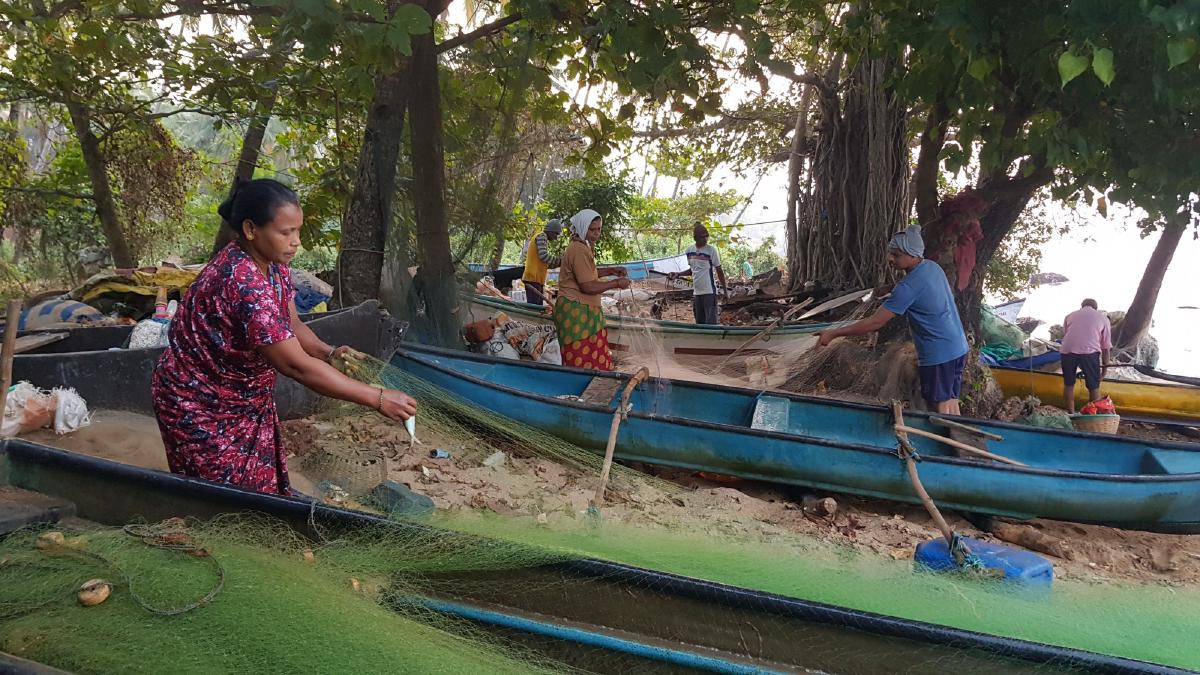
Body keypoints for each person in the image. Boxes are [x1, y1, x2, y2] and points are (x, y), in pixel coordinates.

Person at [152, 178, 417, 496]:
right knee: (225, 502)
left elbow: (290, 323)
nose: (296, 242)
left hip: (244, 401)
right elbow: (295, 366)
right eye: (286, 232)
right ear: (251, 230)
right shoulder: (242, 282)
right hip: (200, 406)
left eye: (298, 231)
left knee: (259, 492)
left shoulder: (273, 265)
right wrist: (377, 397)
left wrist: (329, 352)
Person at [814, 225, 969, 415]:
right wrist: (889, 290)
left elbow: (875, 323)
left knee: (940, 407)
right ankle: (958, 437)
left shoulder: (907, 288)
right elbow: (920, 289)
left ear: (913, 255)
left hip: (939, 354)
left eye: (896, 255)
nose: (890, 259)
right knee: (951, 403)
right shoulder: (931, 267)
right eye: (890, 254)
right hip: (958, 348)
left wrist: (834, 333)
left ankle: (944, 442)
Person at [554, 209, 630, 371]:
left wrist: (610, 271)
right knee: (581, 357)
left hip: (582, 310)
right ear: (582, 228)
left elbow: (589, 273)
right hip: (577, 311)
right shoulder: (578, 250)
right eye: (592, 230)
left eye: (599, 229)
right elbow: (587, 286)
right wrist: (616, 283)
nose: (596, 234)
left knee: (589, 356)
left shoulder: (582, 246)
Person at [1059, 298, 1113, 414]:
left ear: (1082, 306)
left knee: (1069, 384)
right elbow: (1106, 348)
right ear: (1096, 308)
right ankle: (1092, 416)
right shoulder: (1103, 318)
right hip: (1089, 352)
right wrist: (1103, 372)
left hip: (1067, 351)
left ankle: (1070, 414)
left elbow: (1067, 335)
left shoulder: (1069, 316)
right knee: (1094, 386)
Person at [669, 223, 728, 325]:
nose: (705, 240)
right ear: (695, 238)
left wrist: (725, 290)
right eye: (702, 237)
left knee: (711, 323)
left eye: (706, 237)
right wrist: (678, 274)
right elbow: (693, 270)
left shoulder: (711, 250)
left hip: (709, 292)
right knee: (699, 323)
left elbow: (719, 271)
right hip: (697, 293)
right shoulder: (689, 251)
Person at [519, 218, 564, 306]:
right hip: (533, 278)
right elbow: (544, 257)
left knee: (537, 306)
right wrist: (560, 260)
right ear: (551, 231)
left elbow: (544, 263)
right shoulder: (542, 236)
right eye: (556, 234)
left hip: (535, 279)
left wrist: (558, 263)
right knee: (534, 308)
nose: (556, 237)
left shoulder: (542, 238)